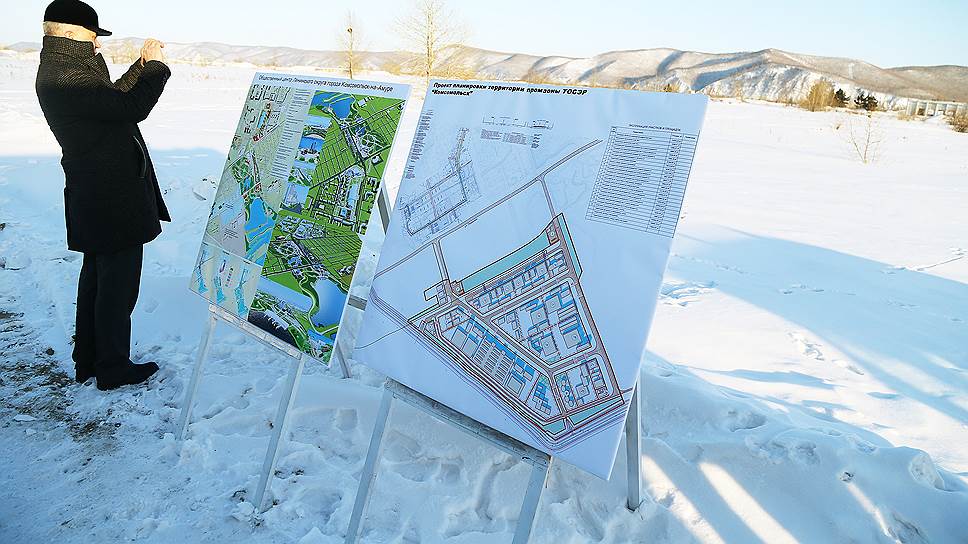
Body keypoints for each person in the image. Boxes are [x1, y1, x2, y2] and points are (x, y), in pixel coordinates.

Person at [35, 0, 172, 390]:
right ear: (70, 34)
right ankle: (112, 368)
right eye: (93, 37)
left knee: (99, 281)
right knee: (116, 288)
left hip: (100, 193)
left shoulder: (67, 69)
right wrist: (157, 69)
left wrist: (141, 67)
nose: (97, 45)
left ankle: (90, 360)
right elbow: (131, 106)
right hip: (110, 198)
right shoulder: (66, 76)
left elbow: (112, 102)